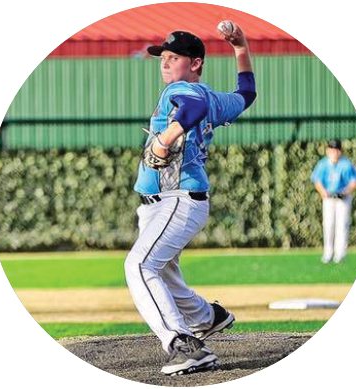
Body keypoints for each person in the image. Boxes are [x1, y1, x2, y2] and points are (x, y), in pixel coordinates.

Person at [124, 23, 256, 376]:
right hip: (168, 202)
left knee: (139, 266)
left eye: (174, 57)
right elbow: (247, 94)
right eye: (162, 57)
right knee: (162, 273)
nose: (164, 62)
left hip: (175, 199)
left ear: (195, 63)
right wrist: (240, 48)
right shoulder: (214, 98)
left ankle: (183, 344)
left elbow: (191, 109)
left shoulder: (183, 90)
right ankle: (207, 317)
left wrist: (165, 138)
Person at [311, 139, 356, 264]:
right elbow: (317, 180)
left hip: (342, 198)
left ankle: (340, 254)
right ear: (328, 150)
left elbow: (354, 181)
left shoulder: (346, 164)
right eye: (331, 149)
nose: (334, 152)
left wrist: (345, 192)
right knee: (328, 225)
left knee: (342, 225)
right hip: (328, 198)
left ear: (340, 151)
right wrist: (323, 192)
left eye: (336, 149)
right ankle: (328, 253)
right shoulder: (323, 164)